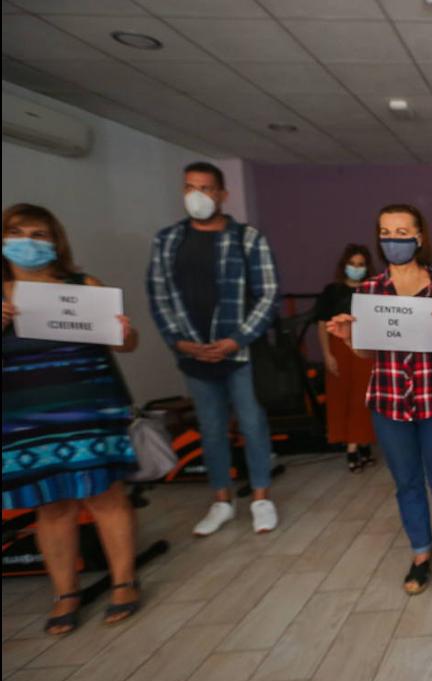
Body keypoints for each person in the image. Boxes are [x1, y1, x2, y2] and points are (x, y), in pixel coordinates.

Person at [3, 204, 142, 635]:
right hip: (27, 417)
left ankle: (123, 581)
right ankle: (65, 592)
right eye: (17, 232)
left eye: (39, 234)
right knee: (53, 505)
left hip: (90, 409)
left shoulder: (84, 286)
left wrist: (124, 333)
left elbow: (125, 344)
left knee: (106, 495)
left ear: (55, 241)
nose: (28, 241)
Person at [325, 204, 432, 595]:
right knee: (406, 482)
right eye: (387, 233)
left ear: (419, 237)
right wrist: (348, 339)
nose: (395, 240)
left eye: (403, 231)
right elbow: (367, 353)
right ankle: (421, 553)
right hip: (388, 401)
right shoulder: (370, 290)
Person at [148, 161, 281, 537]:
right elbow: (159, 296)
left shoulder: (247, 238)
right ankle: (222, 500)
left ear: (222, 194)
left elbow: (268, 294)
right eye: (191, 187)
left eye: (206, 188)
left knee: (252, 423)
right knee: (210, 428)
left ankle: (260, 498)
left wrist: (236, 339)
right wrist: (180, 341)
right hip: (192, 352)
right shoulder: (168, 241)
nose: (198, 195)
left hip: (238, 350)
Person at [315, 244, 377, 471]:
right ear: (345, 265)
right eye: (353, 264)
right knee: (343, 397)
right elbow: (322, 325)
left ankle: (361, 444)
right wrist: (327, 354)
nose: (356, 268)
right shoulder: (332, 291)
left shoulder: (372, 290)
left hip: (365, 349)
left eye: (361, 265)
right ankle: (354, 447)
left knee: (364, 398)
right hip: (339, 349)